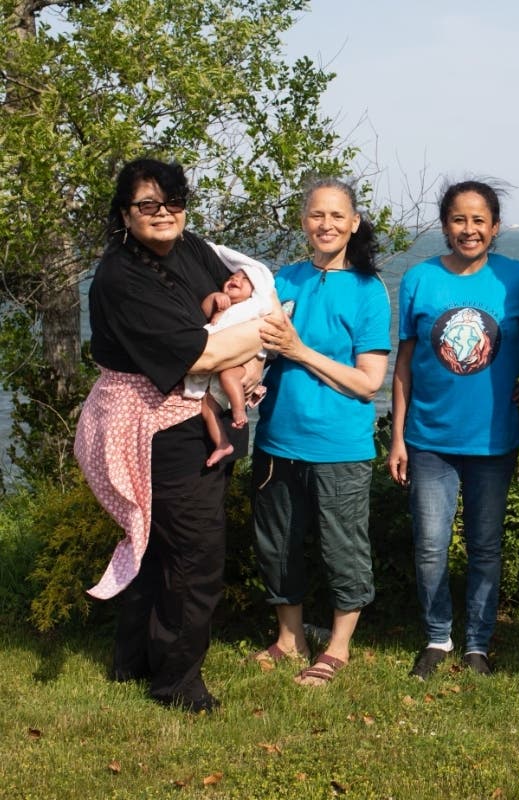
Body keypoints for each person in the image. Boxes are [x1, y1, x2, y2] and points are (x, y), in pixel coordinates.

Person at [75, 158, 274, 712]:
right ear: (124, 213)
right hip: (152, 422)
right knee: (193, 552)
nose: (163, 214)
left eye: (173, 203)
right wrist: (270, 333)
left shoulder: (194, 250)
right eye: (147, 205)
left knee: (160, 545)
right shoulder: (122, 276)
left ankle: (133, 660)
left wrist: (254, 351)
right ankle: (177, 681)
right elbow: (203, 351)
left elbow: (233, 314)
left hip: (193, 410)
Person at [251, 177, 391, 687]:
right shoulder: (281, 281)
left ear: (353, 224)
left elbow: (369, 382)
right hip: (275, 440)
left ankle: (338, 647)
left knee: (342, 548)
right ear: (303, 221)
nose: (326, 225)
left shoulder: (369, 290)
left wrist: (300, 350)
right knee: (277, 545)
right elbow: (257, 352)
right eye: (316, 215)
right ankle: (290, 639)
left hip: (340, 447)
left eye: (337, 216)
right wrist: (249, 381)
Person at [387, 180, 519, 679]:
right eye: (458, 220)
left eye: (478, 220)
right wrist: (397, 437)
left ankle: (478, 643)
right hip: (428, 441)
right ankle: (437, 637)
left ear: (494, 227)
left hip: (493, 440)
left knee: (486, 545)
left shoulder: (516, 278)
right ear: (445, 224)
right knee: (430, 544)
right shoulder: (420, 279)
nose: (468, 230)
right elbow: (403, 361)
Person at [192, 267, 270, 467]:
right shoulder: (224, 308)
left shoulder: (251, 308)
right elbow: (205, 312)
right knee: (207, 408)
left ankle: (238, 410)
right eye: (233, 277)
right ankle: (222, 443)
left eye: (245, 279)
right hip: (215, 372)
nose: (236, 278)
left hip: (239, 365)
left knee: (228, 376)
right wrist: (214, 298)